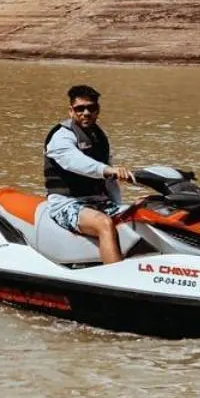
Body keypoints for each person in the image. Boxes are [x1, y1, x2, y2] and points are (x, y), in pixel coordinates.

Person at [42, 83, 136, 265]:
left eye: (91, 108)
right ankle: (115, 277)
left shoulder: (98, 136)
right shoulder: (61, 136)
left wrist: (119, 205)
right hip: (67, 204)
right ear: (71, 111)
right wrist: (108, 170)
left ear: (97, 110)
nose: (86, 113)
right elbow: (76, 162)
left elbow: (110, 182)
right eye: (80, 109)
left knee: (141, 215)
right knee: (104, 224)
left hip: (98, 202)